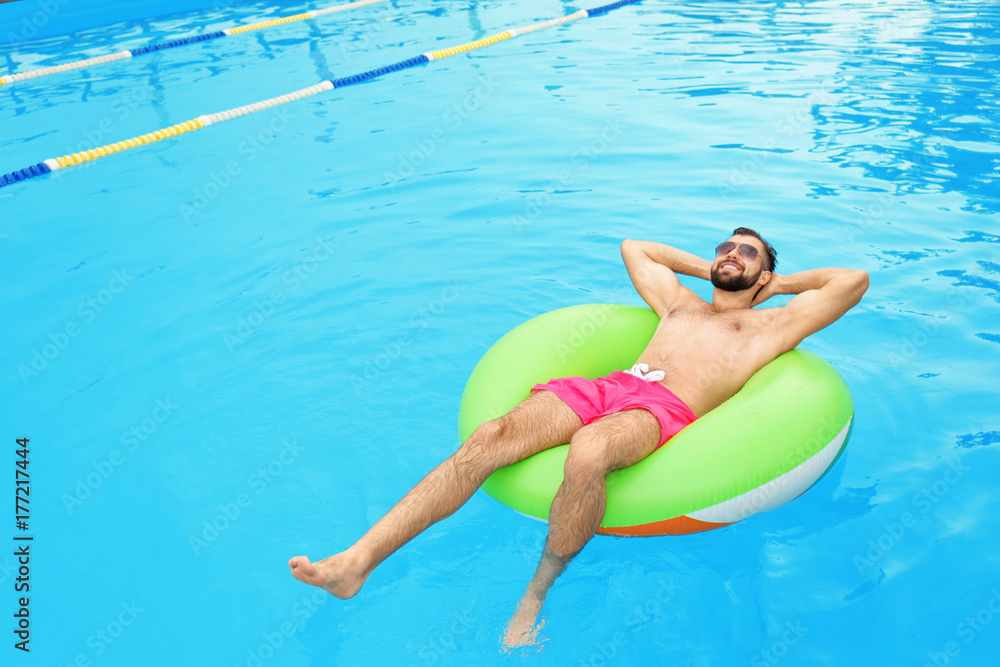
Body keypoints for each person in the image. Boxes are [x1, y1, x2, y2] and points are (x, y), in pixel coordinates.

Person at [288, 228, 869, 647]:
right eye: (725, 247)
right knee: (490, 436)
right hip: (608, 386)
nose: (730, 255)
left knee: (591, 451)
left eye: (746, 253)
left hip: (662, 409)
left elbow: (852, 280)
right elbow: (634, 247)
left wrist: (773, 285)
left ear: (764, 273)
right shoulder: (680, 305)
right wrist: (712, 268)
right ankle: (357, 561)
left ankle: (538, 589)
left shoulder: (773, 323)